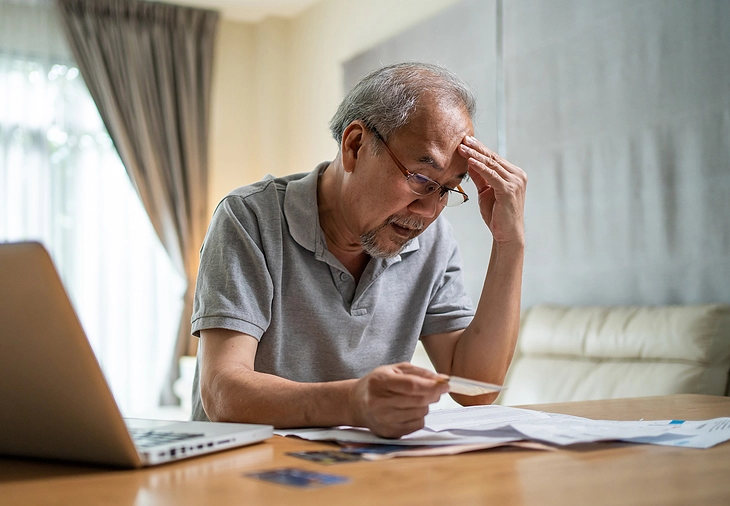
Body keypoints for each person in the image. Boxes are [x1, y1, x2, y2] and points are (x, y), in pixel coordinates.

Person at [190, 62, 527, 438]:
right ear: (355, 145)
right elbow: (222, 392)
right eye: (421, 179)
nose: (429, 211)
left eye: (446, 189)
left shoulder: (432, 241)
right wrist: (353, 403)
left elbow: (475, 386)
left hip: (360, 472)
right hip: (246, 473)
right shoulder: (248, 218)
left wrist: (509, 243)